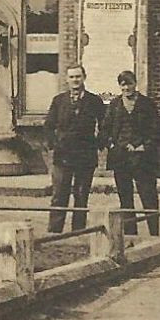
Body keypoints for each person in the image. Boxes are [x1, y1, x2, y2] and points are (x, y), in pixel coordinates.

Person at [44, 63, 103, 233]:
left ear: (84, 77)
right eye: (71, 77)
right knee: (59, 196)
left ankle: (79, 231)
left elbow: (105, 125)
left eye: (78, 76)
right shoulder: (59, 101)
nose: (75, 80)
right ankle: (54, 232)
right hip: (63, 156)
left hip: (85, 155)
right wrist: (54, 144)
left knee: (81, 195)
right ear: (67, 79)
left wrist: (98, 143)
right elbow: (48, 126)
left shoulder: (94, 101)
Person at [103, 70, 160, 236]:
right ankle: (130, 235)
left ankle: (155, 233)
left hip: (143, 158)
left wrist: (144, 146)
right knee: (125, 198)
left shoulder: (147, 104)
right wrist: (112, 145)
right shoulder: (114, 105)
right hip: (121, 158)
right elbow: (105, 129)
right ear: (119, 86)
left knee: (148, 196)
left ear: (135, 84)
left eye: (129, 83)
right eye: (123, 84)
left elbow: (156, 131)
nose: (126, 87)